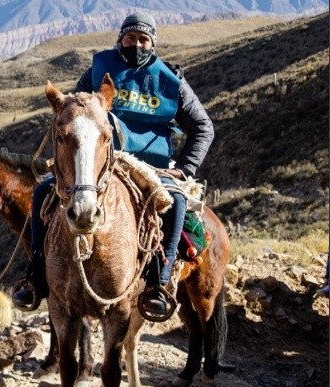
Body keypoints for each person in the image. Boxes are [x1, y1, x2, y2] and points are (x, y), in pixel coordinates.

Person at [12, 12, 214, 319]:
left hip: (152, 165)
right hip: (101, 162)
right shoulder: (99, 70)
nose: (136, 44)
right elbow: (73, 107)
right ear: (120, 39)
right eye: (130, 38)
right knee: (42, 194)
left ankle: (159, 282)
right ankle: (37, 274)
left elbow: (202, 126)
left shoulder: (171, 80)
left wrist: (184, 167)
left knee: (176, 204)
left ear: (153, 43)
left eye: (143, 39)